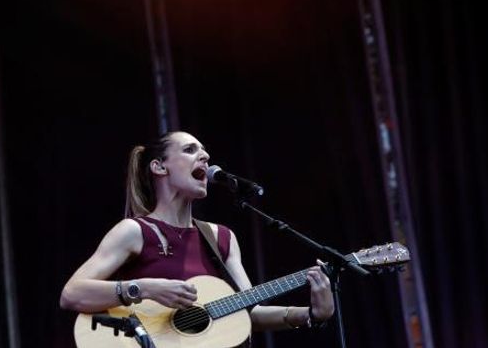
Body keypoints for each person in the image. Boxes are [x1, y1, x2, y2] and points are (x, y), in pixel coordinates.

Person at [59, 131, 334, 338]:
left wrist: (310, 315)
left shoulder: (221, 238)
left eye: (204, 151)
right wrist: (146, 288)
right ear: (159, 167)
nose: (205, 156)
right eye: (190, 150)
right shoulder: (135, 231)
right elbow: (72, 294)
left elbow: (250, 311)